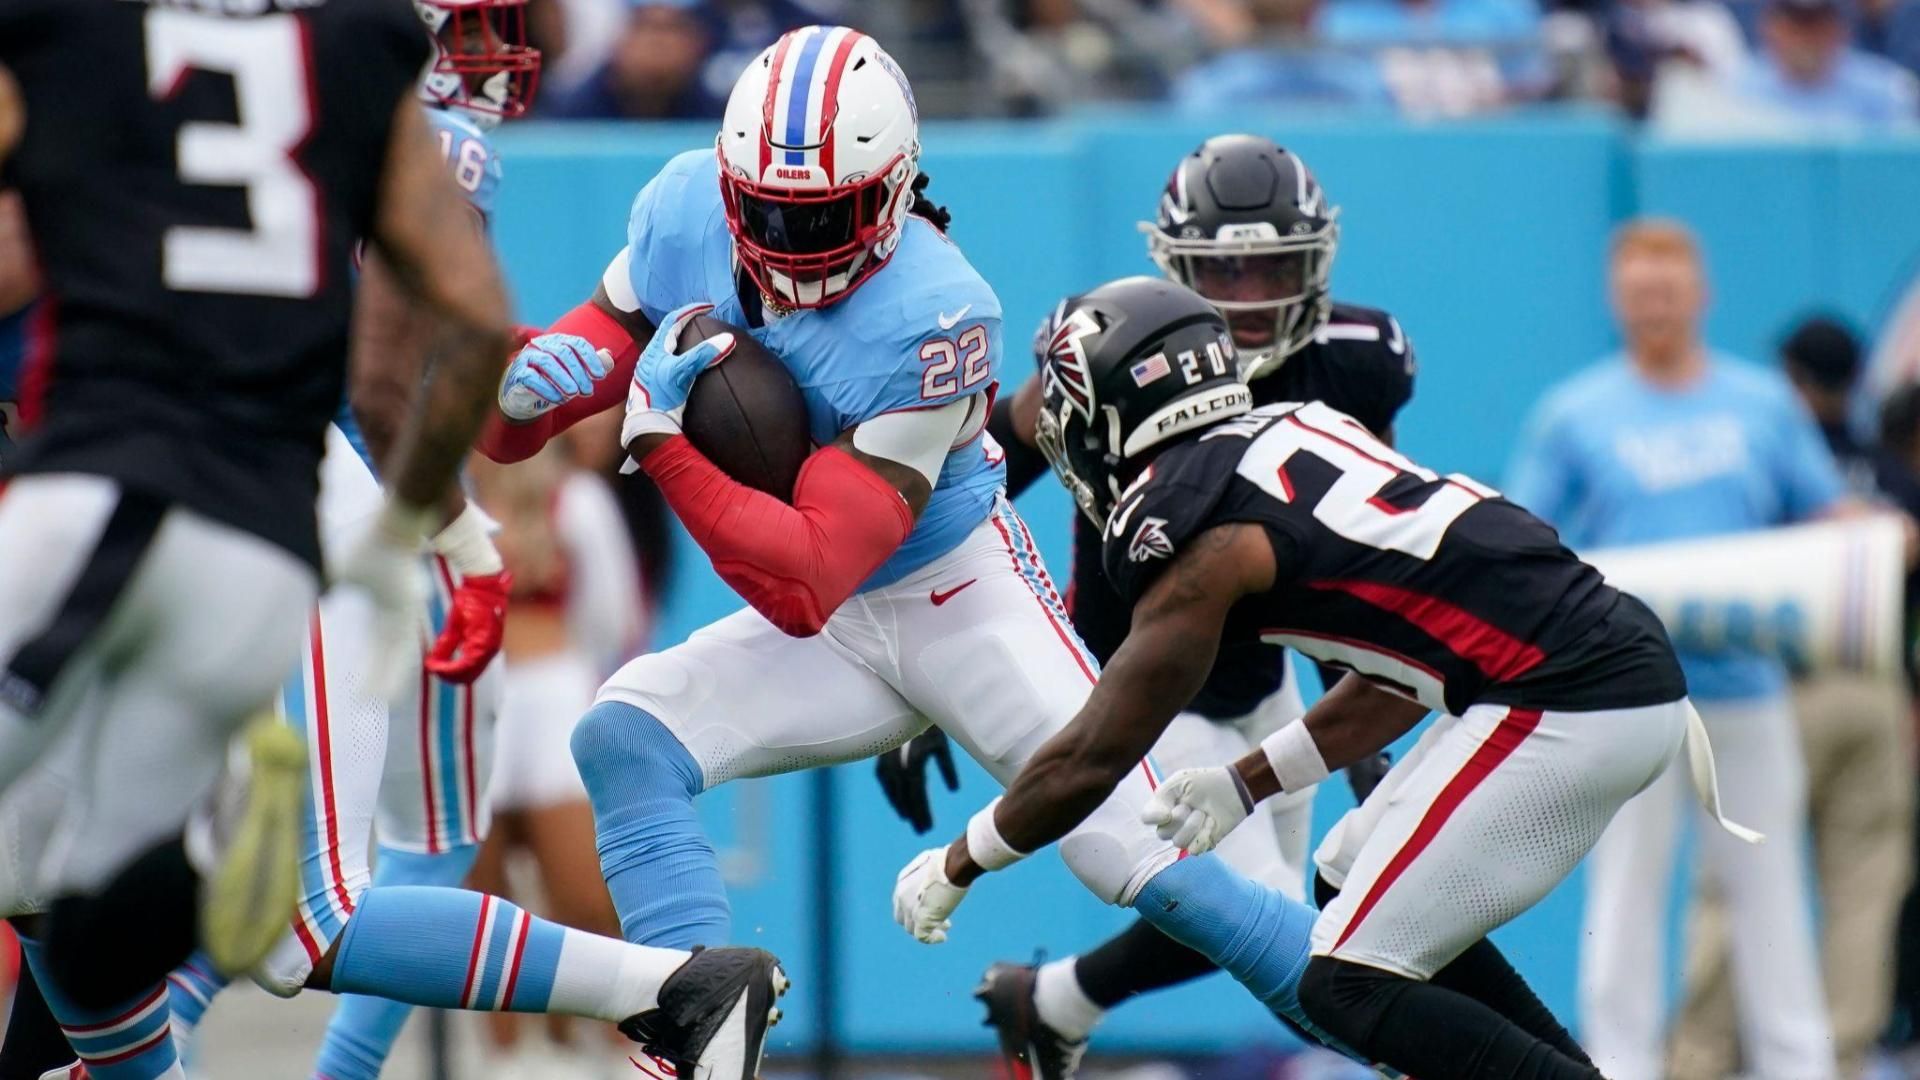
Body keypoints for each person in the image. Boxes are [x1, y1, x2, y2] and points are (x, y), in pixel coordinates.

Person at [475, 23, 1347, 1046]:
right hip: (840, 613)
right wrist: (528, 390)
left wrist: (662, 441)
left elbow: (803, 579)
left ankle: (1394, 1019)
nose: (794, 246)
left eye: (827, 217)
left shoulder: (935, 313)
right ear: (728, 185)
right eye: (770, 213)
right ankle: (699, 1030)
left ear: (893, 192)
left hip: (952, 594)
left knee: (1140, 861)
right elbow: (538, 398)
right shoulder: (685, 208)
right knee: (623, 738)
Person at [896, 274, 1748, 1080]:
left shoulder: (1198, 535)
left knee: (1342, 984)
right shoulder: (1302, 425)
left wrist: (964, 860)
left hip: (1569, 697)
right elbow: (1397, 670)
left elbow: (1095, 753)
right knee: (1343, 876)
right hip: (1581, 670)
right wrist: (1251, 780)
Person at [0, 0, 510, 1024]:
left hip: (101, 495)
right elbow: (477, 324)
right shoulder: (360, 55)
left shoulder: (73, 32)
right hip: (263, 554)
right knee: (70, 918)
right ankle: (197, 840)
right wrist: (419, 524)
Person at [908, 134, 1415, 1079]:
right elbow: (977, 481)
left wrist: (1360, 710)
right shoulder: (1121, 345)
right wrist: (933, 664)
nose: (1254, 299)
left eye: (1274, 267)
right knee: (1300, 959)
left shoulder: (1356, 358)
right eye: (1227, 271)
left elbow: (1357, 555)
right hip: (1131, 676)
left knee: (1260, 922)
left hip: (1265, 676)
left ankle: (1049, 1004)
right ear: (1175, 267)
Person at [1505, 219, 1843, 1080]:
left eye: (1671, 288)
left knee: (1771, 898)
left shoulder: (1763, 404)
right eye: (1640, 291)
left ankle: (1797, 1066)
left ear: (1703, 295)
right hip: (1632, 699)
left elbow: (1824, 512)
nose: (1657, 306)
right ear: (1618, 301)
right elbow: (1528, 540)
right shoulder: (1575, 414)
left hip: (1749, 690)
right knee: (1624, 900)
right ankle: (1617, 1068)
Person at [1667, 314, 1915, 1080]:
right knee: (1864, 889)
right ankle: (1839, 1059)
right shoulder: (1893, 473)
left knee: (1733, 880)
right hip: (1877, 693)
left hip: (1779, 690)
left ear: (1792, 379)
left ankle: (1701, 1060)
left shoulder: (1773, 470)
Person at [464, 436, 647, 1080]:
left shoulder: (579, 501)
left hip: (553, 700)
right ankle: (508, 1055)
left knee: (585, 900)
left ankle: (610, 1046)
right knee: (482, 908)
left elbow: (611, 616)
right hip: (471, 708)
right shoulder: (449, 501)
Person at [1732, 0, 1917, 128]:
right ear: (1769, 29)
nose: (1806, 38)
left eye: (1818, 25)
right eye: (1795, 26)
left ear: (1841, 30)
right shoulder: (1737, 88)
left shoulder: (1885, 88)